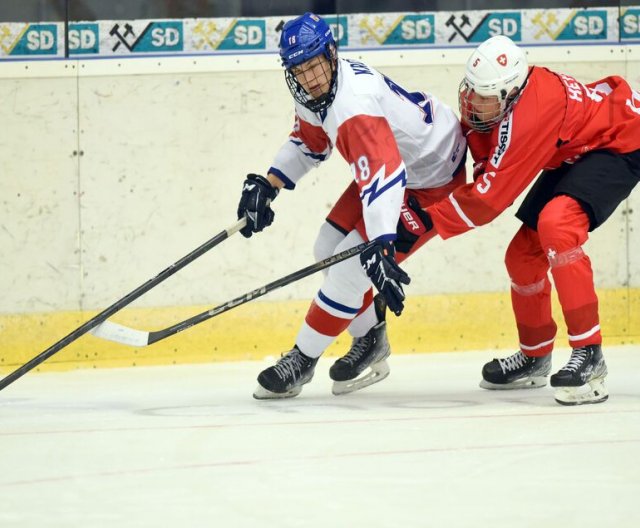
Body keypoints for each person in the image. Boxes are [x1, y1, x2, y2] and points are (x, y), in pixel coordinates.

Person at [236, 13, 466, 399]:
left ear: (331, 53)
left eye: (314, 64)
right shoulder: (314, 92)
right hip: (398, 166)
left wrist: (382, 242)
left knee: (349, 266)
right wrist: (269, 183)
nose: (309, 78)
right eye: (299, 69)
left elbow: (385, 174)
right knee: (327, 249)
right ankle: (370, 339)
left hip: (434, 176)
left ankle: (301, 360)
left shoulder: (354, 103)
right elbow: (311, 144)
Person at [417, 35, 640, 405]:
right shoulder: (501, 104)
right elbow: (487, 163)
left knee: (558, 224)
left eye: (486, 96)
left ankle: (590, 355)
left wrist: (424, 224)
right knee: (521, 257)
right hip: (577, 150)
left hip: (621, 141)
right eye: (472, 91)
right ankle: (535, 355)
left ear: (512, 93)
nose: (474, 102)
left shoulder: (535, 110)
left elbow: (489, 199)